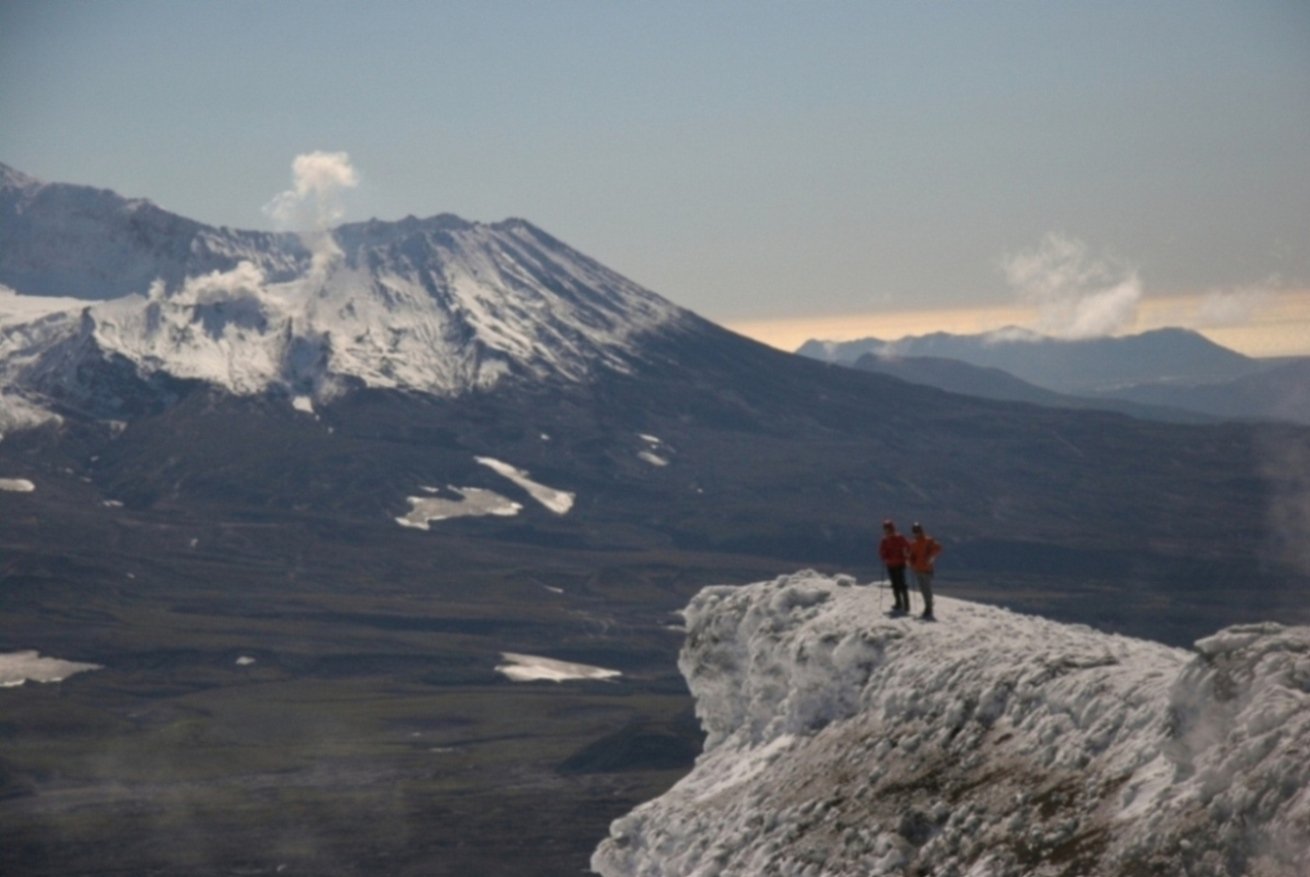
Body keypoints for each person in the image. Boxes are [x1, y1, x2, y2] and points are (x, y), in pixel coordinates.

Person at [907, 522, 943, 620]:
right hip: (918, 569)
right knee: (923, 589)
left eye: (917, 531)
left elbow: (938, 548)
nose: (916, 533)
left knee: (926, 589)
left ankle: (929, 608)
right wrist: (910, 562)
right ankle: (927, 606)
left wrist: (931, 557)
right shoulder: (913, 543)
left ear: (921, 531)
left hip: (926, 569)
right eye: (914, 531)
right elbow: (911, 555)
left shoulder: (928, 540)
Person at [878, 518, 911, 614]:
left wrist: (884, 557)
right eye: (885, 529)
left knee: (901, 584)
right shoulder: (887, 539)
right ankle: (899, 603)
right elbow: (881, 551)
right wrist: (884, 556)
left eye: (887, 529)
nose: (886, 531)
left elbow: (908, 547)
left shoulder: (897, 538)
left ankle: (905, 604)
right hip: (892, 564)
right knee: (895, 584)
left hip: (898, 564)